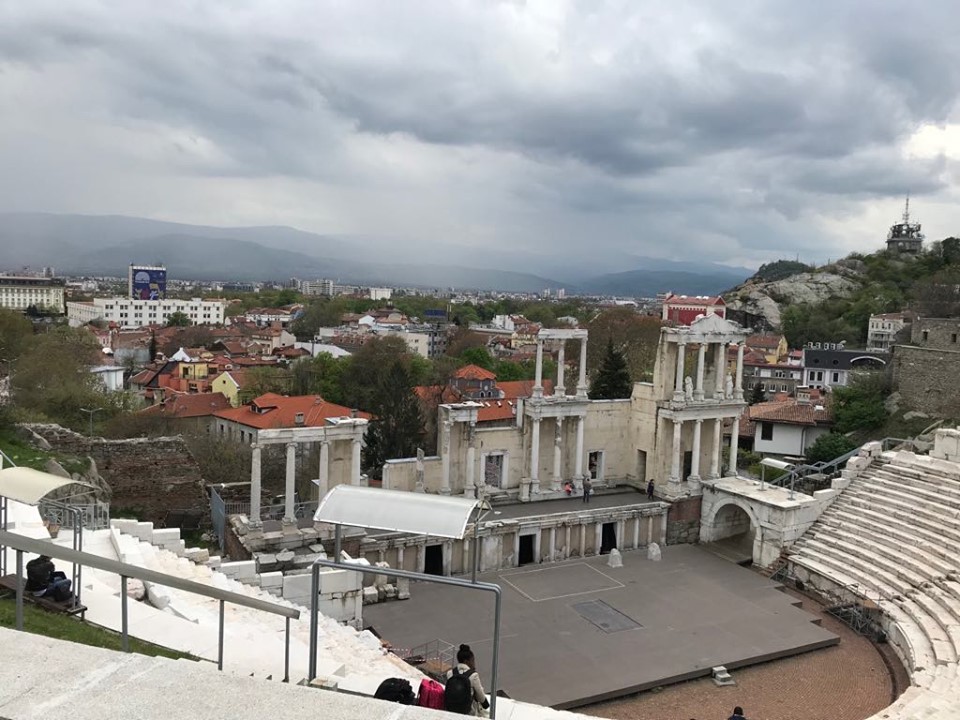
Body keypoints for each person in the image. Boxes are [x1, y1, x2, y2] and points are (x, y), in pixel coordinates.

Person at [445, 644, 489, 716]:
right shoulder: (473, 675)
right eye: (472, 660)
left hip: (451, 708)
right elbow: (481, 697)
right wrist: (486, 704)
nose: (474, 663)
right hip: (468, 711)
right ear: (466, 661)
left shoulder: (450, 673)